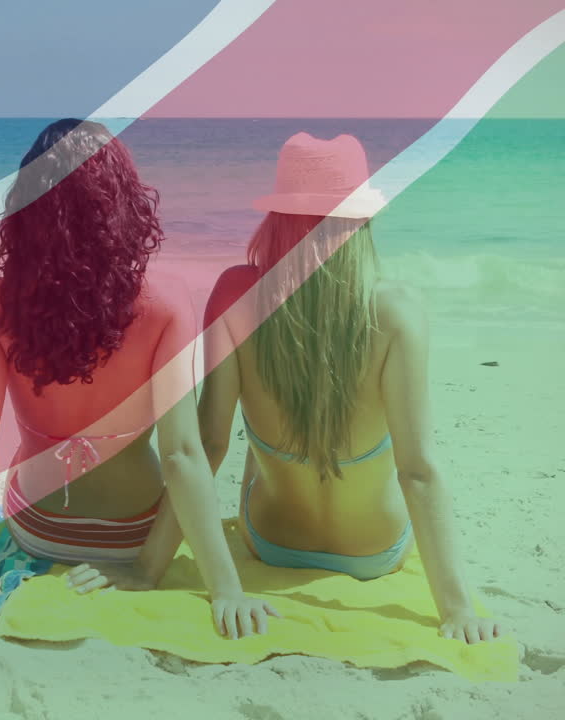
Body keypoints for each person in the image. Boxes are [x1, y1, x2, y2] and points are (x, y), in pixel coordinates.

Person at [0, 119, 277, 639]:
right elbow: (182, 456)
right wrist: (224, 589)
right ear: (124, 208)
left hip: (38, 531)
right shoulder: (167, 304)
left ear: (27, 212)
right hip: (131, 536)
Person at [197, 132, 501, 643]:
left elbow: (207, 445)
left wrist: (148, 566)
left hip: (270, 542)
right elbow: (418, 471)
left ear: (275, 217)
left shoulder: (234, 293)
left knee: (260, 434)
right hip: (376, 552)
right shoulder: (397, 310)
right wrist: (457, 611)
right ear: (361, 221)